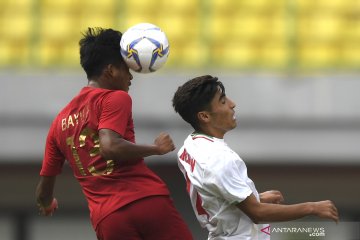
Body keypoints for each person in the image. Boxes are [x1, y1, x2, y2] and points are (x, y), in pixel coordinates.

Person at [35, 27, 193, 240]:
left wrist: (47, 204)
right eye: (125, 69)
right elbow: (110, 146)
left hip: (107, 218)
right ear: (110, 70)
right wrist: (155, 149)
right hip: (145, 201)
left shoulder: (58, 124)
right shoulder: (114, 98)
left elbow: (44, 190)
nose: (130, 77)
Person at [172, 75, 339, 240]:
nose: (232, 104)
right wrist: (312, 208)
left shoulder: (189, 147)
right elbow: (258, 213)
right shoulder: (219, 159)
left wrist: (253, 196)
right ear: (205, 116)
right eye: (223, 101)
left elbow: (212, 191)